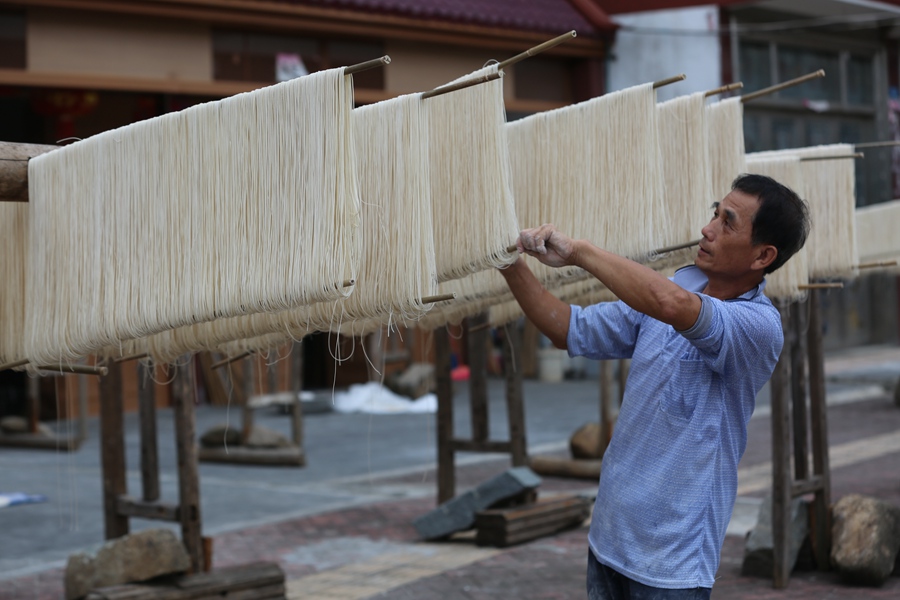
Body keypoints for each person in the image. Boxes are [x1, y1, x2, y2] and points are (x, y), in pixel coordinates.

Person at [498, 174, 810, 599]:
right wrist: (507, 261)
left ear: (763, 256)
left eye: (728, 222)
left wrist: (579, 252)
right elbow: (567, 328)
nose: (708, 228)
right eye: (714, 213)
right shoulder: (677, 288)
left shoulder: (756, 326)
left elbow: (673, 306)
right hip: (609, 538)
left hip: (672, 563)